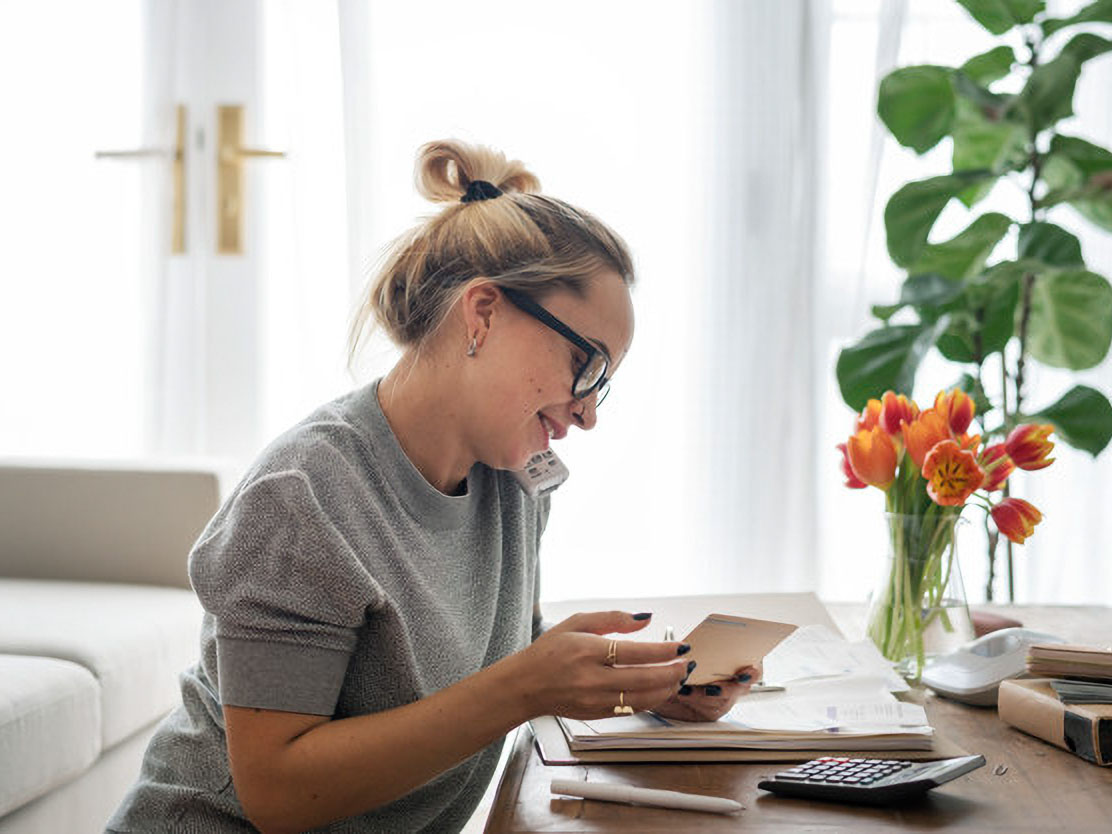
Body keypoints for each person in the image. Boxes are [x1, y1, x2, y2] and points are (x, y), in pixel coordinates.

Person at [106, 139, 759, 834]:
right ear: (481, 314)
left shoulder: (514, 481)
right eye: (585, 364)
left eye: (603, 382)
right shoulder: (303, 497)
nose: (589, 411)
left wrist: (639, 687)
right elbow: (276, 792)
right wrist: (528, 684)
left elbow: (477, 656)